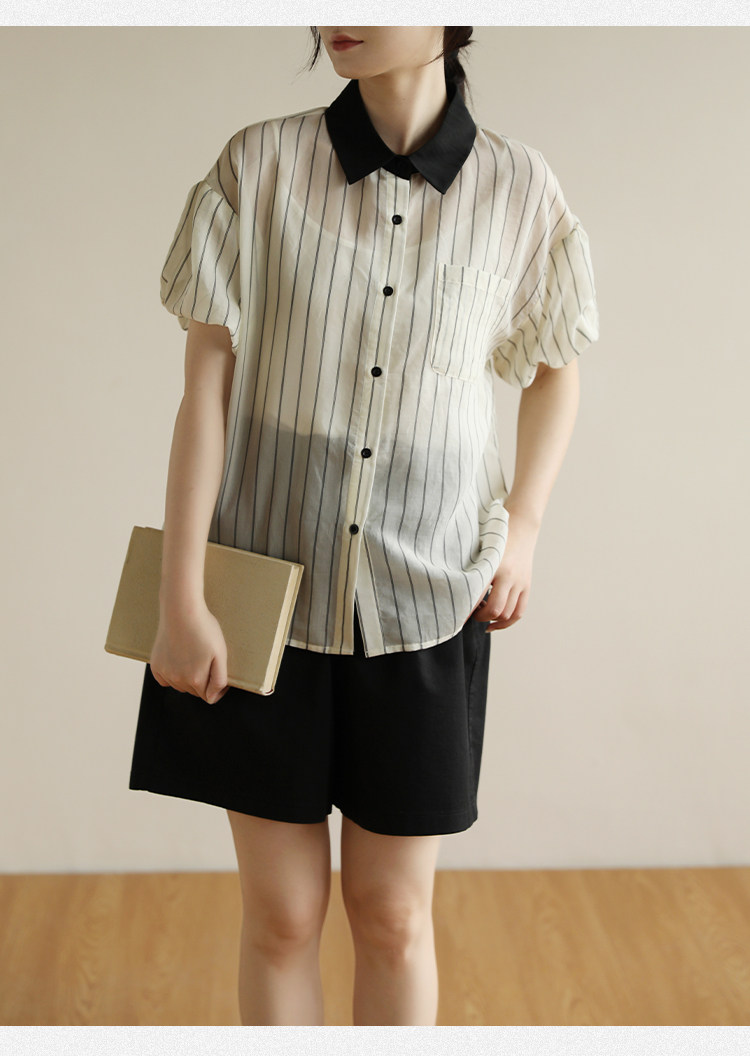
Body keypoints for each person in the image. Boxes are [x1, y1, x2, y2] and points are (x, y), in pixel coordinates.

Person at [128, 26, 600, 1026]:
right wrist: (181, 595)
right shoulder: (257, 166)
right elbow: (205, 390)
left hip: (425, 599)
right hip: (261, 601)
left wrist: (523, 528)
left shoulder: (521, 190)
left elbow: (556, 368)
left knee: (392, 916)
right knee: (282, 915)